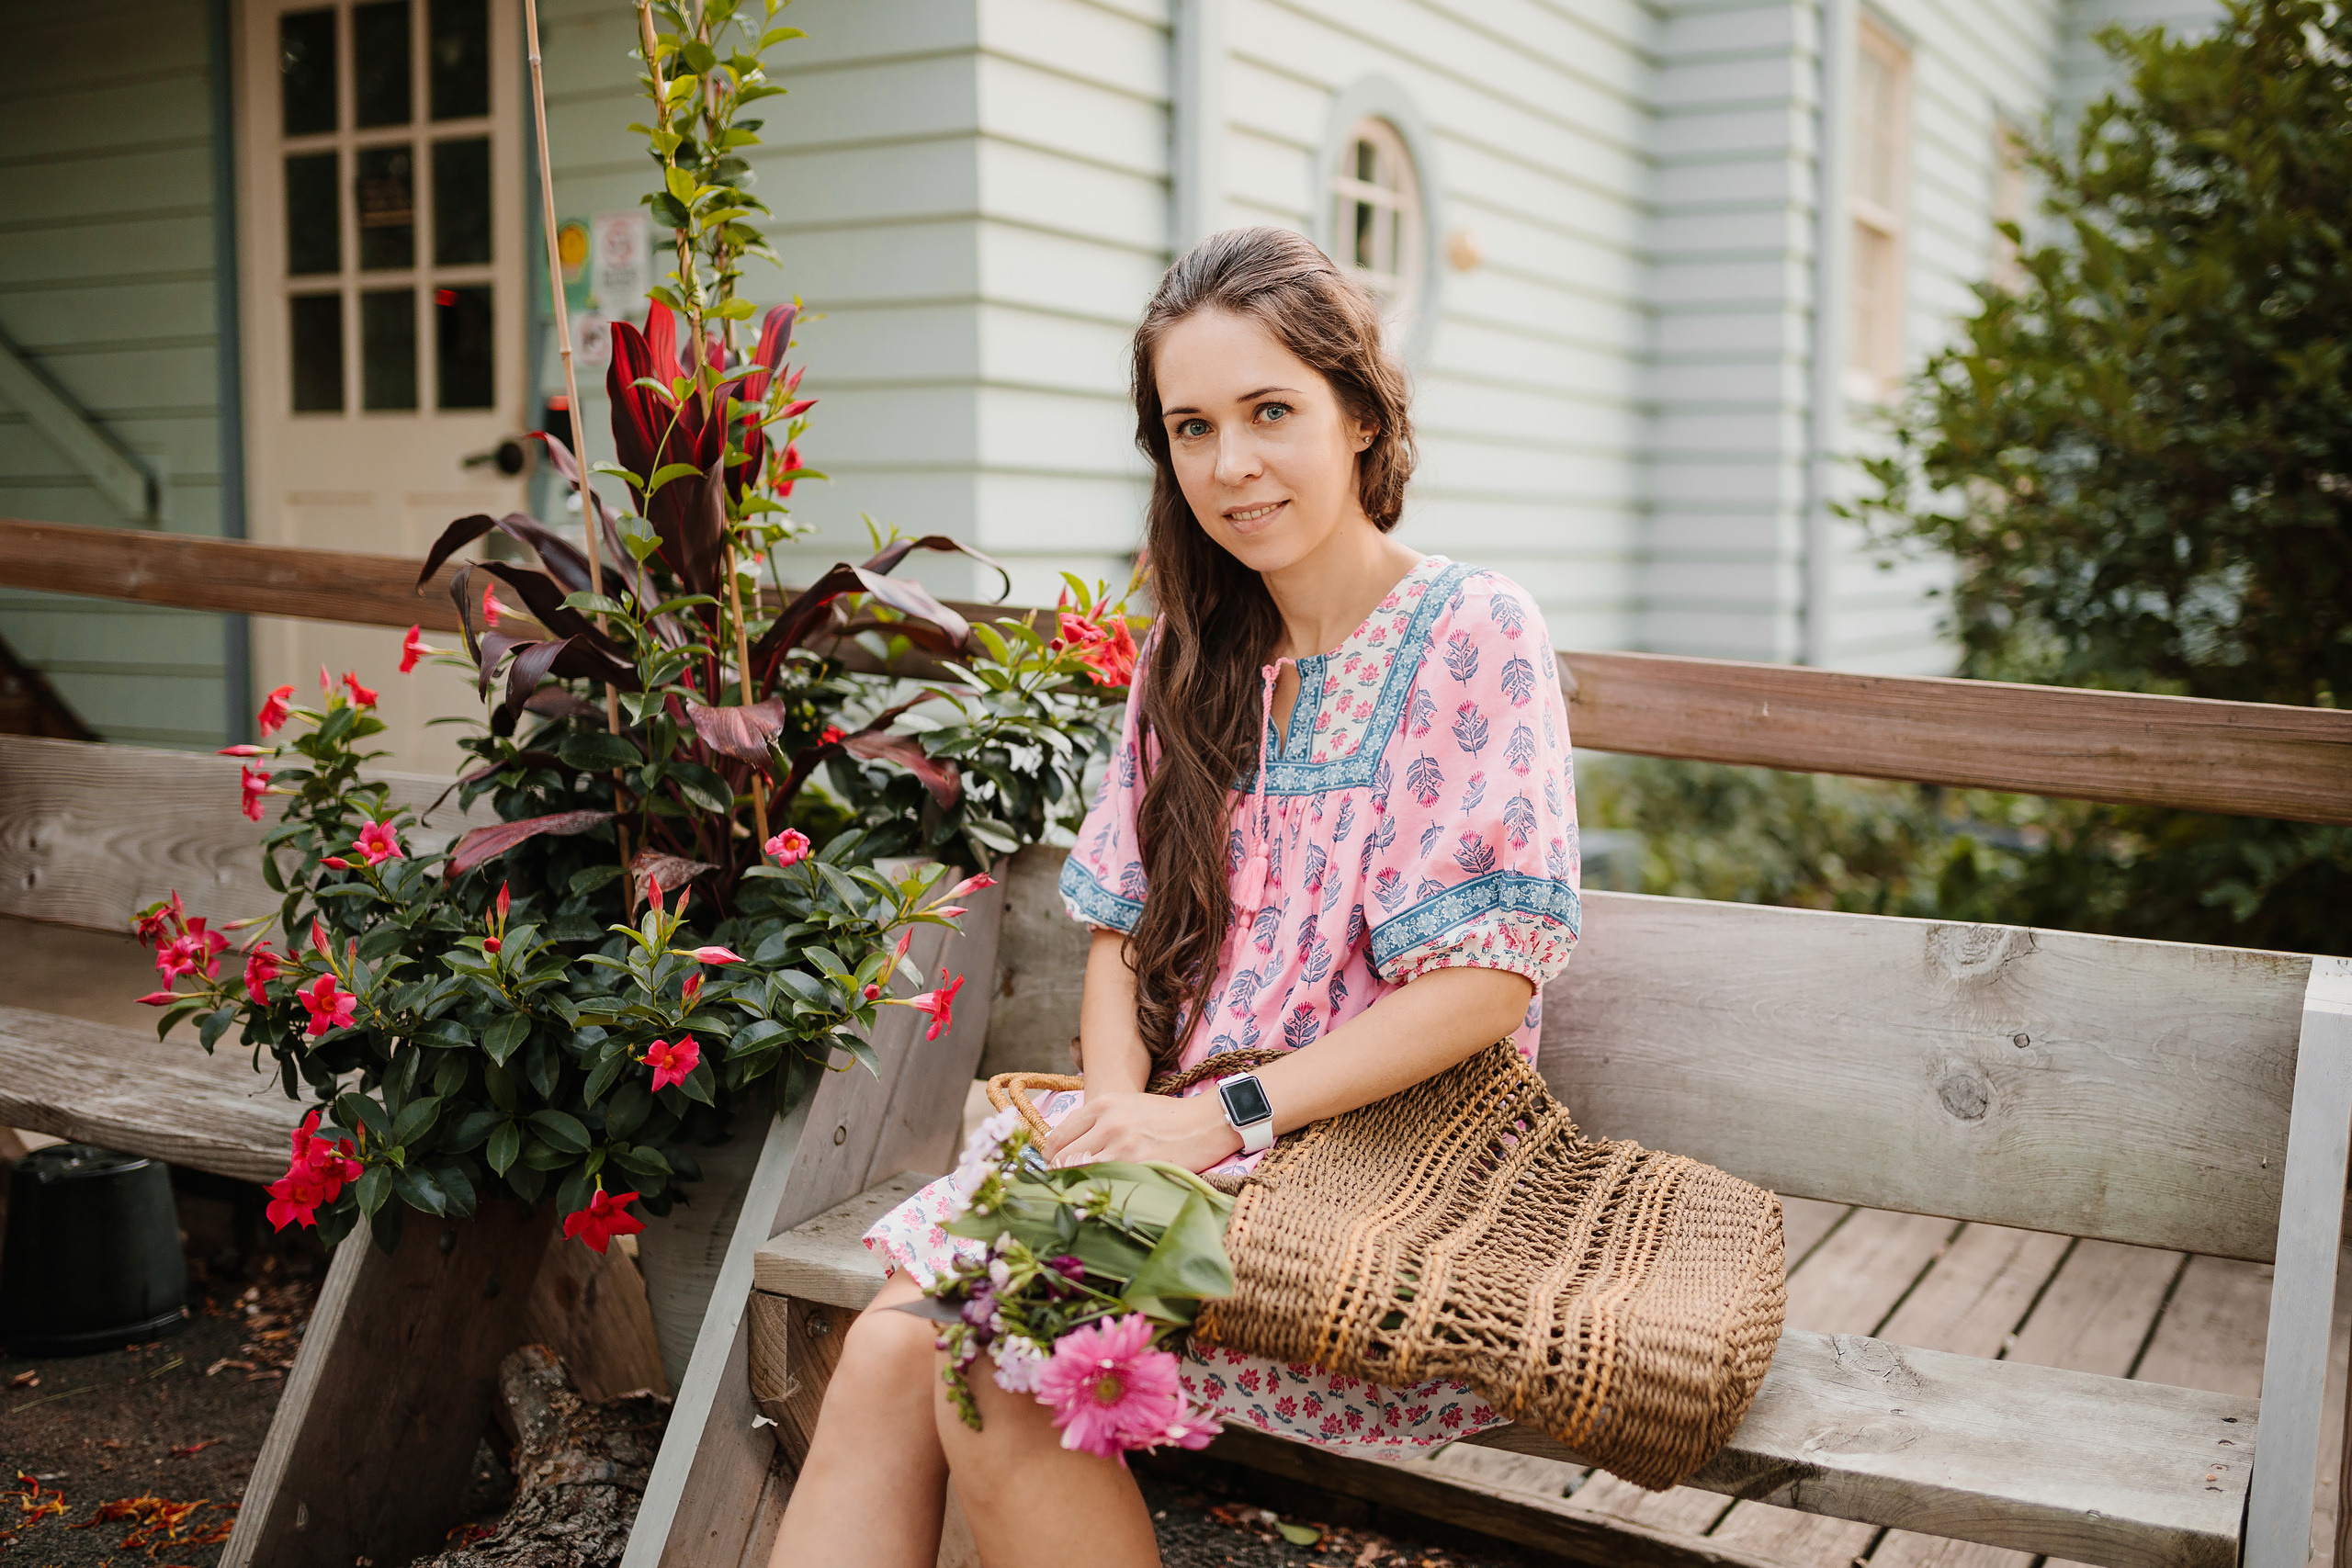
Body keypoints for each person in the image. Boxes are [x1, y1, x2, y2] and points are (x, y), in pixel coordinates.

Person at [769, 226, 1583, 1568]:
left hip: (1371, 1158)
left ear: (1364, 414)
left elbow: (1487, 985)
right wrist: (1118, 1121)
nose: (1232, 465)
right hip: (1183, 1135)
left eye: (1272, 412)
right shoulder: (1192, 656)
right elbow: (1122, 932)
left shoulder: (1473, 628)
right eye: (1192, 427)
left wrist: (1211, 1120)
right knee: (883, 1359)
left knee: (997, 1367)